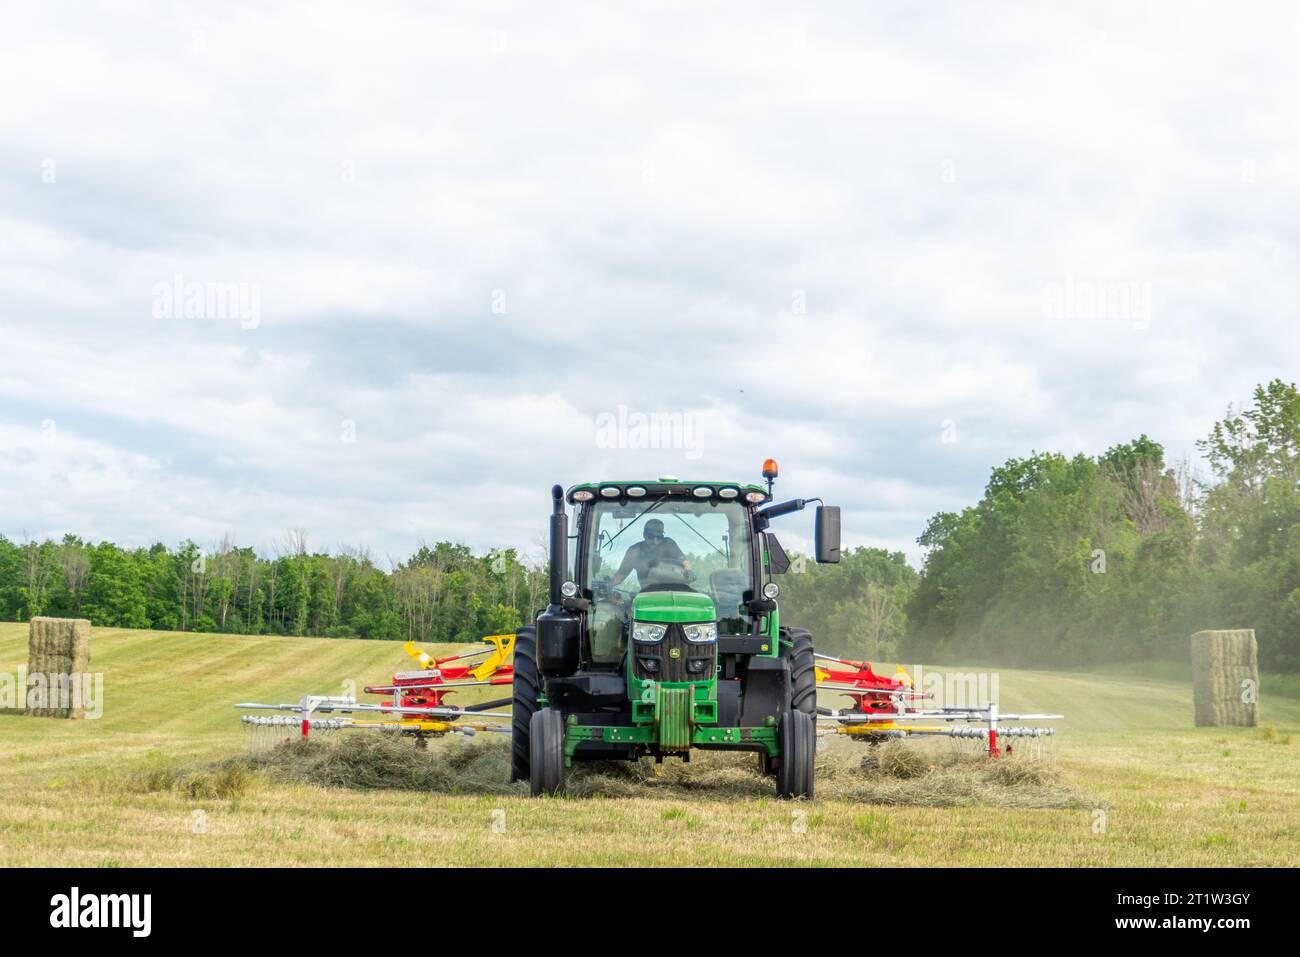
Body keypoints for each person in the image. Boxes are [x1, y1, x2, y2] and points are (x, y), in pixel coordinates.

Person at [609, 518, 693, 588]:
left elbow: (686, 564)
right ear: (644, 535)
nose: (655, 541)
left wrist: (689, 572)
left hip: (675, 594)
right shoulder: (634, 552)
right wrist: (608, 584)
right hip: (647, 596)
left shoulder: (669, 544)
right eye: (651, 536)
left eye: (659, 537)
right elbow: (621, 575)